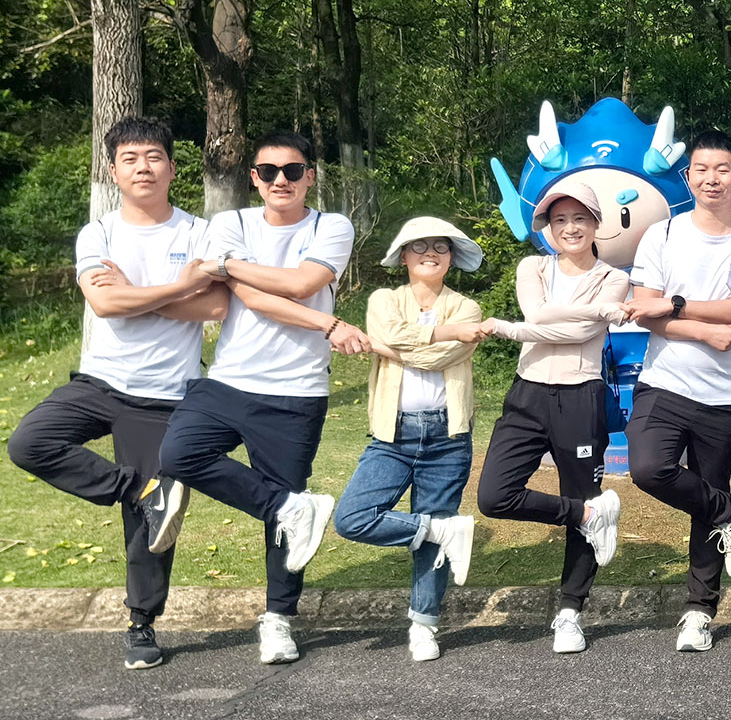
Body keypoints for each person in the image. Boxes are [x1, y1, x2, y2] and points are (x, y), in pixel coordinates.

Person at [7, 117, 226, 669]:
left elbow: (217, 306)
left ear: (171, 168)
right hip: (99, 382)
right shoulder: (98, 233)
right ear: (113, 171)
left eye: (153, 157)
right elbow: (105, 304)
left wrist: (139, 293)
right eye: (130, 158)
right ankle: (138, 489)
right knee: (29, 443)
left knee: (150, 528)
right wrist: (179, 287)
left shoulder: (199, 233)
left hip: (165, 394)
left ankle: (141, 622)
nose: (142, 167)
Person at [159, 129, 369, 665]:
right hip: (229, 379)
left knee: (285, 523)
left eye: (293, 171)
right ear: (254, 178)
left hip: (297, 391)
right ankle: (291, 506)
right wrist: (327, 322)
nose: (281, 180)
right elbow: (252, 297)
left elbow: (299, 285)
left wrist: (227, 266)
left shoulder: (331, 226)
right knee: (180, 454)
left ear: (309, 177)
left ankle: (278, 619)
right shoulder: (231, 222)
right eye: (269, 171)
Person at [618, 129, 731, 652]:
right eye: (702, 170)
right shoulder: (661, 235)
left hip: (724, 394)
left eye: (722, 169)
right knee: (649, 468)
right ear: (687, 177)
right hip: (664, 382)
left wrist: (677, 305)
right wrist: (705, 331)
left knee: (705, 493)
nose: (712, 179)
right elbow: (645, 310)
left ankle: (699, 610)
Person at [477, 182, 629, 654]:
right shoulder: (533, 267)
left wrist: (513, 329)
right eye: (560, 220)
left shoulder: (614, 278)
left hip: (581, 395)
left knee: (580, 488)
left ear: (596, 224)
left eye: (580, 218)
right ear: (547, 227)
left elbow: (574, 332)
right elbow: (538, 314)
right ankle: (588, 515)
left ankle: (570, 611)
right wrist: (597, 312)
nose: (570, 228)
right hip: (527, 393)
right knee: (494, 495)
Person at [332, 217, 486, 663]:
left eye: (440, 246)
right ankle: (441, 530)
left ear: (451, 258)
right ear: (403, 256)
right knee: (352, 518)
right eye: (419, 246)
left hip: (448, 433)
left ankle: (424, 624)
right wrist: (441, 333)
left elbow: (435, 356)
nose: (430, 253)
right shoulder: (384, 299)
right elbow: (398, 336)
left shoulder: (467, 308)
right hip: (392, 432)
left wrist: (386, 345)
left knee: (433, 534)